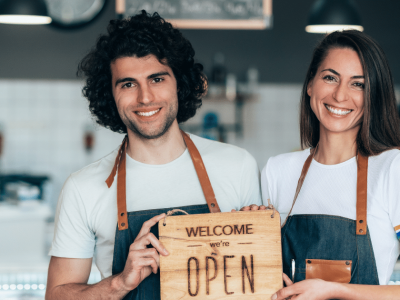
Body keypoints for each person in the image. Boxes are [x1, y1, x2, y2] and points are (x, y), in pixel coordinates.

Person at [45, 11, 261, 300]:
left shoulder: (238, 166)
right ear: (110, 94)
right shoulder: (83, 188)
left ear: (179, 84)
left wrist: (260, 235)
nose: (145, 97)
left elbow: (260, 283)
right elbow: (57, 295)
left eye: (157, 79)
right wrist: (119, 283)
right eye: (128, 84)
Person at [258, 30, 400, 299]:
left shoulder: (392, 169)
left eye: (358, 84)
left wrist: (334, 290)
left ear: (373, 95)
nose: (340, 95)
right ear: (311, 84)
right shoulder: (277, 171)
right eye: (330, 78)